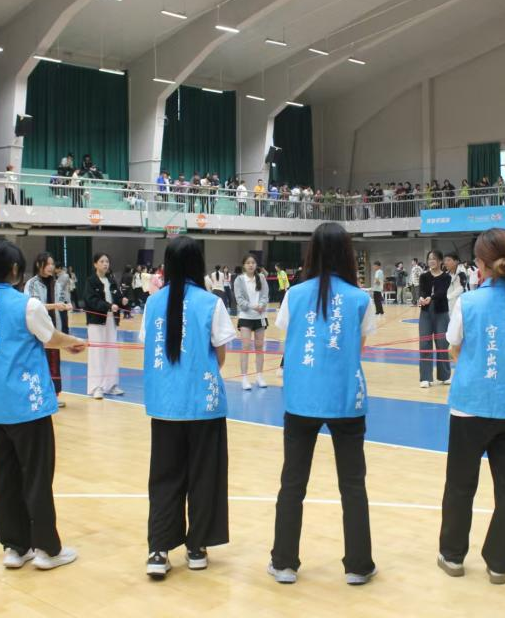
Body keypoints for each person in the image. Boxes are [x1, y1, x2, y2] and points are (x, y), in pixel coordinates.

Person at [268, 222, 377, 586]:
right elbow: (358, 348)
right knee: (353, 485)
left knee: (292, 483)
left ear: (312, 252)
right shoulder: (361, 299)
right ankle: (358, 566)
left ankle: (284, 563)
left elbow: (289, 337)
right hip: (346, 399)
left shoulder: (294, 295)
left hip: (301, 399)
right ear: (347, 254)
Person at [0, 239, 85, 569]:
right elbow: (51, 338)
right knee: (36, 478)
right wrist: (73, 342)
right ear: (15, 269)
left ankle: (15, 547)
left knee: (4, 479)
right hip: (28, 406)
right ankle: (47, 549)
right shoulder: (28, 305)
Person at [438, 228, 505, 584]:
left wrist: (471, 360)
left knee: (460, 485)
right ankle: (499, 563)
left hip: (470, 406)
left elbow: (453, 346)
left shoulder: (468, 303)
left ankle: (452, 555)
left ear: (479, 264)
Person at [140, 236, 237, 579]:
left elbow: (148, 345)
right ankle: (197, 548)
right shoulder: (211, 303)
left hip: (164, 405)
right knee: (204, 476)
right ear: (198, 264)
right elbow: (220, 354)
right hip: (203, 405)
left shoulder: (153, 303)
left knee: (164, 478)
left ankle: (158, 550)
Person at [25, 253, 72, 407]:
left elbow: (62, 300)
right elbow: (33, 306)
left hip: (52, 330)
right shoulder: (32, 284)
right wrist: (55, 306)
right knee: (40, 363)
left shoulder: (55, 283)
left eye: (52, 264)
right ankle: (39, 396)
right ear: (39, 265)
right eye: (48, 264)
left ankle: (53, 397)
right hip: (37, 332)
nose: (51, 267)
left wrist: (66, 305)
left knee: (54, 364)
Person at [84, 252, 128, 399]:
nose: (105, 264)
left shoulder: (111, 280)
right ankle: (96, 387)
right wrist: (108, 306)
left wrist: (122, 301)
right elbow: (91, 300)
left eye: (107, 261)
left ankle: (111, 385)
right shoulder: (91, 281)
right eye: (102, 261)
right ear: (95, 264)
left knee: (111, 352)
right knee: (97, 354)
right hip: (97, 322)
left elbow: (117, 296)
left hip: (111, 321)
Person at [234, 254, 269, 390]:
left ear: (256, 265)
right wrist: (252, 306)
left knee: (259, 347)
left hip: (260, 316)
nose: (250, 265)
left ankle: (259, 376)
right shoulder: (239, 280)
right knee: (245, 346)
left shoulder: (261, 278)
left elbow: (265, 295)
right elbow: (239, 299)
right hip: (245, 317)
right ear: (244, 265)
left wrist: (261, 305)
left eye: (253, 262)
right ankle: (244, 378)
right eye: (248, 263)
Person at [418, 251, 452, 389]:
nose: (431, 261)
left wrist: (430, 298)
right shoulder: (424, 276)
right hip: (426, 312)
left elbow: (441, 292)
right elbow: (421, 290)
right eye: (429, 259)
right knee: (425, 343)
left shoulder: (446, 277)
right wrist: (421, 298)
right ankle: (425, 378)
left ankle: (444, 376)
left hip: (441, 312)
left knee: (442, 344)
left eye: (434, 259)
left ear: (440, 261)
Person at [55, 265, 72, 334]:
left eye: (55, 268)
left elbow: (60, 286)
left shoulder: (65, 276)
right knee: (61, 317)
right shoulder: (58, 276)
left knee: (64, 317)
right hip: (59, 300)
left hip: (64, 299)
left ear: (59, 268)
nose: (54, 270)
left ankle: (65, 332)